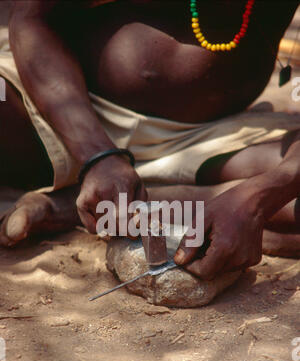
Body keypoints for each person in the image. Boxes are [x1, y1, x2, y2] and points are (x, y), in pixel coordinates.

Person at [0, 0, 300, 280]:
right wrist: (99, 157)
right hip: (62, 99)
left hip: (209, 135)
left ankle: (79, 207)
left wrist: (258, 197)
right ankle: (130, 200)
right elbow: (31, 16)